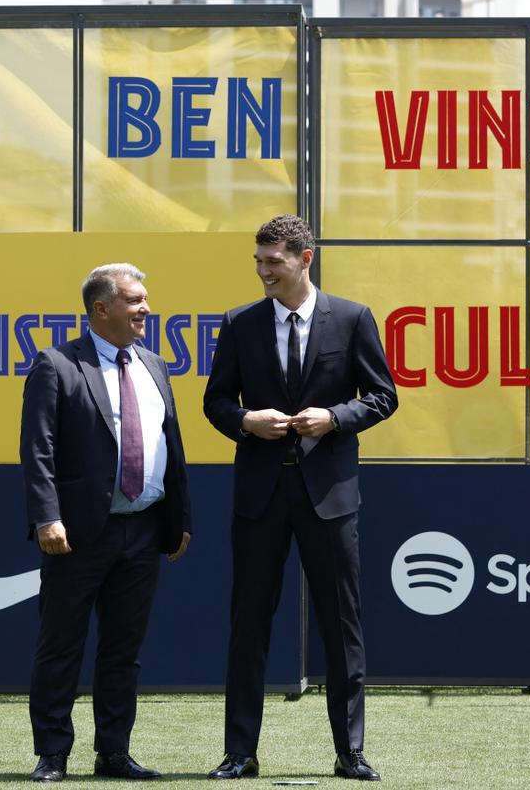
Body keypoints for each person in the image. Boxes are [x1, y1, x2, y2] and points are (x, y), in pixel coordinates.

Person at [203, 215, 397, 781]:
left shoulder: (354, 318)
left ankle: (350, 751)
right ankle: (240, 752)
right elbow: (216, 402)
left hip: (330, 497)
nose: (264, 271)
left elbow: (383, 396)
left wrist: (334, 417)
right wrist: (245, 420)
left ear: (304, 259)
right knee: (249, 627)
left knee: (342, 626)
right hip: (259, 497)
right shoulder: (240, 322)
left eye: (274, 261)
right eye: (258, 262)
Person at [21, 263, 192, 782]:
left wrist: (179, 518)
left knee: (124, 650)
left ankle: (113, 753)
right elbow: (38, 451)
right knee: (61, 647)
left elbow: (172, 446)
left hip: (143, 529)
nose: (146, 309)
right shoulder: (56, 364)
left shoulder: (155, 365)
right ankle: (53, 755)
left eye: (145, 299)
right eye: (135, 300)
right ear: (101, 308)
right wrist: (47, 518)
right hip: (76, 535)